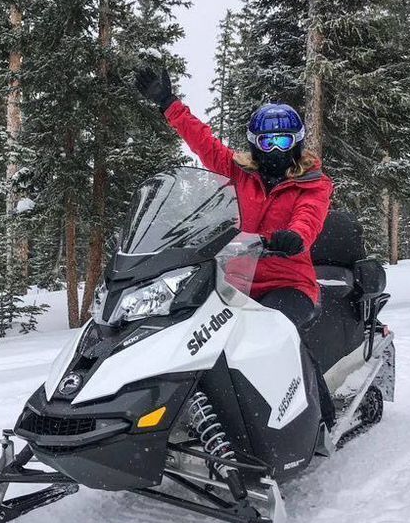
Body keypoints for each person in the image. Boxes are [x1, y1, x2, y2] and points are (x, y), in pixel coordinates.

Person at [135, 65, 336, 427]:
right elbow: (203, 143)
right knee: (188, 333)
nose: (275, 149)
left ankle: (318, 417)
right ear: (254, 144)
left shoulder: (313, 184)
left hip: (287, 283)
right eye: (267, 142)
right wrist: (167, 103)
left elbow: (309, 218)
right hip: (233, 282)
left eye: (284, 141)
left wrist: (293, 237)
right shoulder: (239, 171)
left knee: (276, 332)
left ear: (298, 142)